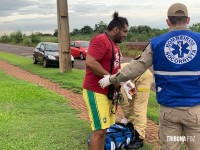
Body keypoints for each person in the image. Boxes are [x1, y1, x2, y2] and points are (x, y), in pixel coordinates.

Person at [99, 3, 200, 150]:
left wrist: (111, 79)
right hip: (195, 111)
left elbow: (135, 68)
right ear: (188, 19)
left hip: (169, 111)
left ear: (168, 21)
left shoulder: (157, 43)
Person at [82, 12, 128, 150]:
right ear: (116, 30)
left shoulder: (114, 45)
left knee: (104, 131)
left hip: (108, 93)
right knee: (99, 131)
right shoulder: (100, 40)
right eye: (124, 31)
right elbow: (90, 62)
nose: (126, 35)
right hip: (96, 91)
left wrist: (123, 81)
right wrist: (110, 78)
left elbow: (114, 68)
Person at [119, 63, 153, 149]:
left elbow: (122, 100)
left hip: (143, 78)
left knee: (139, 108)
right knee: (131, 104)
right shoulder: (115, 73)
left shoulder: (115, 73)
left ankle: (139, 138)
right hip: (131, 81)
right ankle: (131, 125)